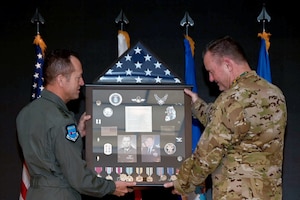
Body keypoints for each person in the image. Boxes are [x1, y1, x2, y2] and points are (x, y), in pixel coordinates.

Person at [164, 36, 287, 199]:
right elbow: (233, 123)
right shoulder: (275, 94)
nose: (211, 79)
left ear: (228, 65)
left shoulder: (231, 99)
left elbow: (206, 155)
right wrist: (196, 104)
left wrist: (183, 182)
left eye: (211, 71)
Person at [16, 49, 136, 200]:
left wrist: (77, 134)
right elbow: (79, 178)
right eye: (77, 77)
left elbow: (48, 152)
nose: (82, 82)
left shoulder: (25, 113)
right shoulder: (61, 120)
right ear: (61, 79)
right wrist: (111, 187)